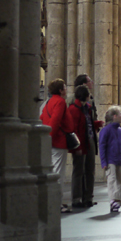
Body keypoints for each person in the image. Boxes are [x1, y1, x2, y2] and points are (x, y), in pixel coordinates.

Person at [39, 78, 73, 213]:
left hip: (51, 140)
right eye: (64, 87)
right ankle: (55, 203)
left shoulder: (48, 102)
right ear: (60, 90)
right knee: (58, 174)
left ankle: (54, 201)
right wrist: (49, 137)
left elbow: (42, 118)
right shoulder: (59, 101)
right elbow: (55, 121)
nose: (66, 90)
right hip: (57, 141)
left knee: (54, 172)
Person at [67, 85, 100, 208]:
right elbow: (74, 129)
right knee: (78, 171)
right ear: (85, 95)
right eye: (88, 94)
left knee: (90, 170)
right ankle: (76, 199)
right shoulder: (73, 109)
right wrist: (77, 148)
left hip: (90, 140)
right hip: (79, 143)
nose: (90, 96)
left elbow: (88, 124)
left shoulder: (88, 108)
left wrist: (97, 124)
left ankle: (88, 198)